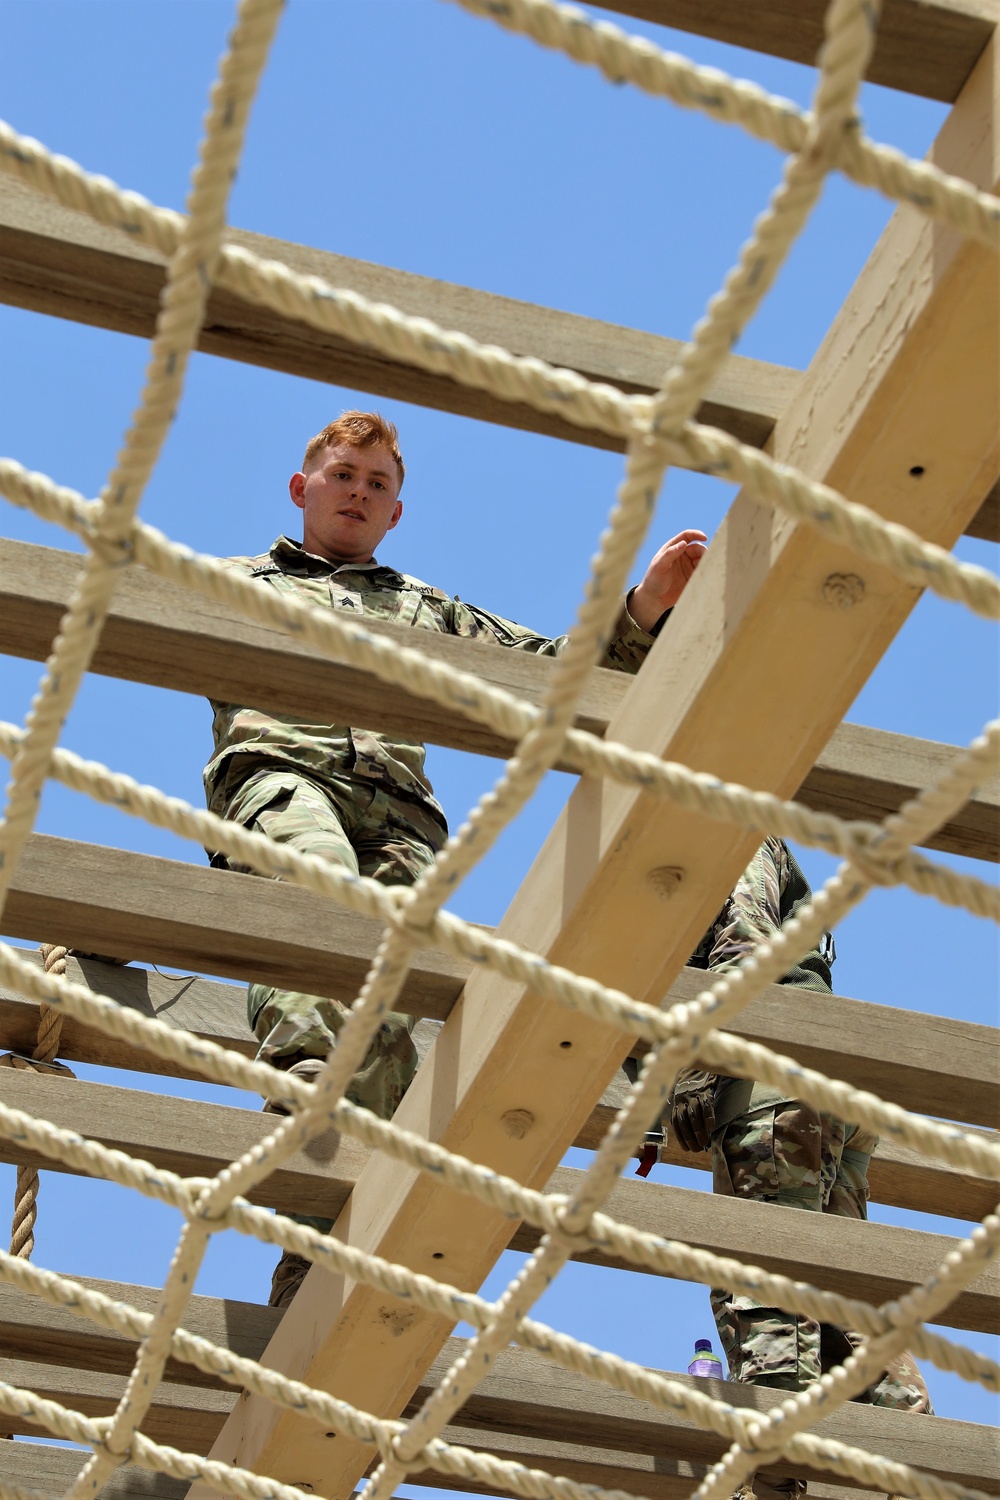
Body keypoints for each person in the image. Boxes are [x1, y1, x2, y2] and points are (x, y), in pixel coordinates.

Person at [204, 409, 708, 1307]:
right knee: (322, 917)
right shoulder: (233, 581)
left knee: (396, 1033)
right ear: (302, 487)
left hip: (398, 816)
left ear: (396, 513)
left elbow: (551, 670)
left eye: (378, 484)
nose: (359, 492)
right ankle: (308, 1106)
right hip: (285, 773)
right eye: (344, 474)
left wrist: (645, 609)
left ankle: (318, 1266)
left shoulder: (424, 607)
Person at [668, 837, 932, 1500]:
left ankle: (777, 1480)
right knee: (841, 1300)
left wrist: (702, 1070)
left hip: (772, 1083)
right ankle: (914, 1453)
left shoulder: (719, 826)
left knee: (769, 1284)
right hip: (820, 1087)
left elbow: (744, 948)